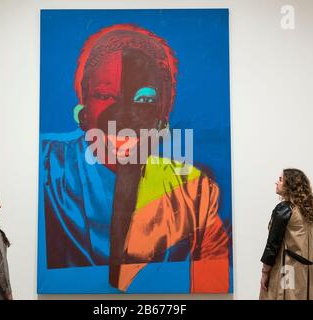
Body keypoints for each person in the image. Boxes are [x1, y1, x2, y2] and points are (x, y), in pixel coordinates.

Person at [41, 24, 231, 293]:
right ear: (83, 108)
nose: (124, 116)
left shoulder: (195, 192)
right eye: (105, 96)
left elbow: (214, 280)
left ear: (163, 113)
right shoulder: (48, 166)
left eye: (144, 98)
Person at [260, 169, 313, 300]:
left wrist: (265, 272)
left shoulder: (284, 209)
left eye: (281, 179)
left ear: (290, 185)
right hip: (307, 273)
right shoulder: (310, 210)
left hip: (287, 273)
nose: (276, 182)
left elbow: (272, 244)